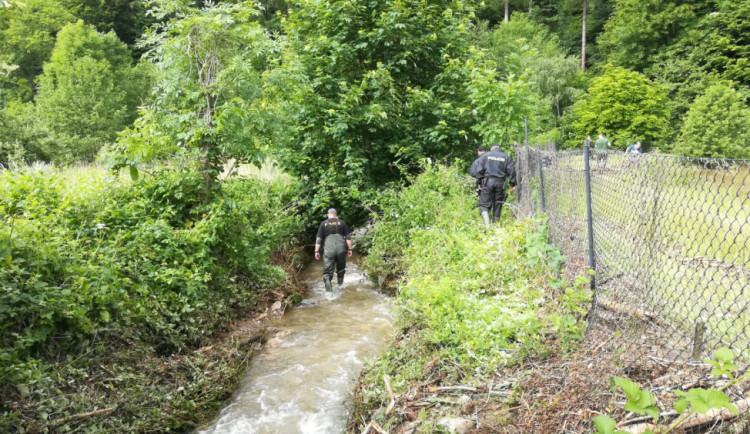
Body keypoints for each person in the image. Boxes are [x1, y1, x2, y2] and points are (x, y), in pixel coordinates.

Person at [477, 144, 516, 228]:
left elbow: (480, 170)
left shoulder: (486, 156)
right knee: (498, 204)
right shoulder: (506, 157)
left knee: (484, 205)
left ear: (491, 148)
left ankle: (487, 226)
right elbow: (511, 171)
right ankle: (495, 226)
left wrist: (479, 183)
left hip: (487, 182)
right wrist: (512, 184)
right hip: (500, 183)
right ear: (499, 148)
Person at [314, 208, 352, 292]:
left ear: (328, 215)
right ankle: (340, 287)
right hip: (341, 249)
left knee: (327, 272)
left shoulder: (323, 224)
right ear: (336, 214)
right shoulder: (342, 223)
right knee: (341, 269)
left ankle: (329, 293)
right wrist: (350, 249)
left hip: (329, 250)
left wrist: (316, 251)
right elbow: (348, 238)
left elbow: (319, 239)